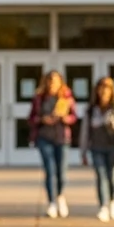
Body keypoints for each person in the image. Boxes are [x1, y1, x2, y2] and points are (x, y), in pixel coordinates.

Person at [79, 76, 114, 222]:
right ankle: (103, 206)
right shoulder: (91, 109)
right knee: (101, 176)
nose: (103, 91)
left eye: (107, 88)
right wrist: (83, 151)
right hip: (97, 147)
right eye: (101, 88)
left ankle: (113, 201)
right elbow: (85, 131)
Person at [28, 70, 76, 218]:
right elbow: (31, 118)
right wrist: (42, 120)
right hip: (44, 137)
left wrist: (64, 118)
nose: (52, 84)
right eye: (49, 81)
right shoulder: (39, 98)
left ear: (60, 82)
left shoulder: (66, 97)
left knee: (61, 172)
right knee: (49, 171)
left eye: (55, 81)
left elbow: (74, 117)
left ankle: (60, 196)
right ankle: (51, 203)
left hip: (61, 138)